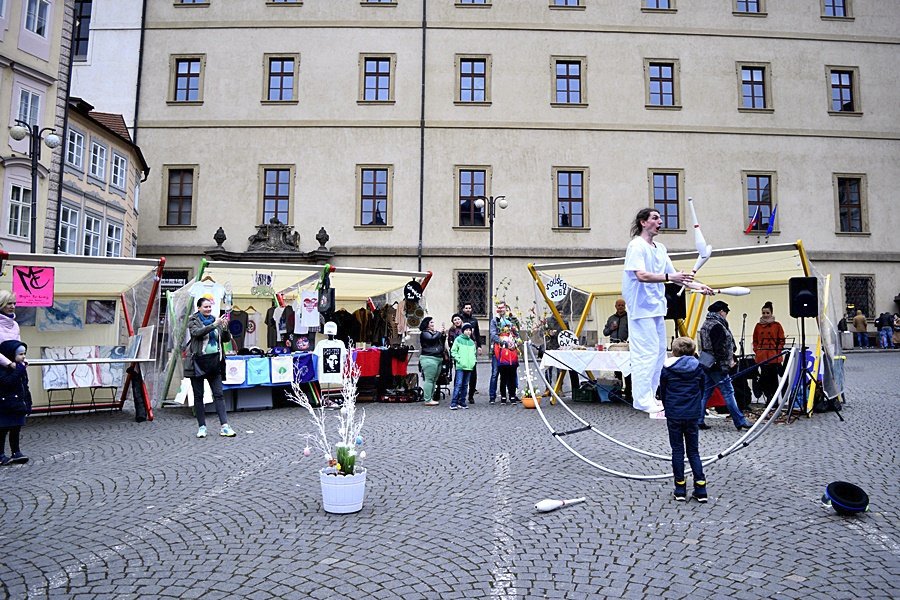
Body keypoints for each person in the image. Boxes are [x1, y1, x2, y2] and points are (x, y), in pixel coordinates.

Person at [622, 208, 712, 417]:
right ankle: (641, 399)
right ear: (643, 222)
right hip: (640, 308)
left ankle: (651, 396)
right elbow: (642, 275)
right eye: (655, 217)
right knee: (647, 353)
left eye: (660, 217)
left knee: (660, 352)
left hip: (656, 307)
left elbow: (675, 276)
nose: (660, 221)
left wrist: (699, 286)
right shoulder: (636, 246)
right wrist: (671, 276)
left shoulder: (660, 248)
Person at [658, 337, 707, 502]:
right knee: (693, 451)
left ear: (674, 352)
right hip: (692, 414)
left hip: (674, 414)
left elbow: (663, 392)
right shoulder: (699, 368)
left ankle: (680, 488)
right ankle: (701, 488)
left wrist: (667, 407)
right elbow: (702, 389)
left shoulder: (667, 369)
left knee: (677, 450)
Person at [185, 297, 236, 438]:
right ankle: (202, 427)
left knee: (219, 394)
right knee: (199, 396)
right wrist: (214, 324)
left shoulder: (216, 320)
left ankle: (224, 426)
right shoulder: (193, 320)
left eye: (209, 307)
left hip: (215, 363)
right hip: (198, 363)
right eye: (205, 307)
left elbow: (225, 339)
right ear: (199, 308)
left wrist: (225, 327)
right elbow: (197, 333)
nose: (208, 309)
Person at [698, 301, 752, 431]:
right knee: (728, 392)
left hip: (707, 363)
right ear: (721, 311)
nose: (726, 315)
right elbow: (719, 349)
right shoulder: (717, 325)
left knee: (705, 393)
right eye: (726, 312)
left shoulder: (706, 323)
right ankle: (739, 420)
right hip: (717, 365)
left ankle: (698, 420)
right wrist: (725, 365)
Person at [0, 340, 32, 465]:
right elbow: (8, 382)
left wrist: (28, 403)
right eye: (20, 354)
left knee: (15, 429)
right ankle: (1, 454)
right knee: (2, 430)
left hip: (18, 404)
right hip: (5, 405)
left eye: (24, 354)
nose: (23, 357)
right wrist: (18, 370)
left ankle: (16, 452)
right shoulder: (3, 369)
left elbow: (25, 386)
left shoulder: (21, 368)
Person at [752, 301, 786, 403]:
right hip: (762, 356)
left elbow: (781, 339)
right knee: (764, 378)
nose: (765, 315)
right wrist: (757, 350)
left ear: (771, 313)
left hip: (773, 356)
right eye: (763, 313)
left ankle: (774, 400)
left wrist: (778, 350)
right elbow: (755, 340)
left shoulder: (777, 325)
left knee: (774, 379)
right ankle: (768, 398)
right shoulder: (758, 326)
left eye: (767, 313)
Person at [488, 301, 520, 404]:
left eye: (502, 307)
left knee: (512, 374)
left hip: (511, 351)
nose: (501, 309)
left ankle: (513, 394)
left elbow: (517, 333)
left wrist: (514, 341)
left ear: (506, 308)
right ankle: (493, 396)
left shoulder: (511, 319)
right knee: (495, 373)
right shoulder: (494, 320)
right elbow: (493, 335)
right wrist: (503, 341)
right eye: (499, 308)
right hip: (498, 351)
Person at [419, 317, 445, 407]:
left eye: (433, 322)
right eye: (431, 322)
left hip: (437, 358)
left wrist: (443, 335)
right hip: (429, 358)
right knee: (429, 379)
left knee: (434, 380)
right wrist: (439, 332)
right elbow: (432, 339)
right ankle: (427, 399)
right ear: (427, 324)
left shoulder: (434, 333)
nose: (433, 324)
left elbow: (440, 341)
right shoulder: (424, 333)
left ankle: (431, 397)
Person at [449, 322, 476, 410]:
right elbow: (453, 351)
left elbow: (474, 354)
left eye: (469, 330)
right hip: (461, 366)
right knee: (458, 384)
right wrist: (458, 360)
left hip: (469, 366)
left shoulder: (472, 342)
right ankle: (454, 402)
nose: (468, 332)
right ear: (463, 331)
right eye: (466, 330)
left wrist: (473, 362)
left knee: (465, 385)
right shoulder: (458, 339)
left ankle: (462, 402)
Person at [460, 303, 482, 404]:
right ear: (463, 309)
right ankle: (460, 393)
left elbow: (477, 334)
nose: (468, 309)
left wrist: (479, 346)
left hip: (472, 347)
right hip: (462, 348)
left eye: (469, 308)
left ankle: (471, 394)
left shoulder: (474, 320)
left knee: (473, 372)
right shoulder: (460, 319)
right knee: (461, 371)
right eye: (466, 308)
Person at [494, 322, 519, 404]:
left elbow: (517, 345)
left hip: (513, 361)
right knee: (503, 380)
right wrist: (500, 359)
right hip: (503, 362)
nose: (507, 329)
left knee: (512, 379)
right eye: (505, 327)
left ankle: (512, 395)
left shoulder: (513, 336)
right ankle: (503, 396)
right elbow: (497, 350)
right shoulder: (500, 337)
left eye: (508, 327)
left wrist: (515, 347)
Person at [0, 291, 22, 370]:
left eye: (14, 303)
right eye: (9, 303)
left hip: (13, 369)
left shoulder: (15, 325)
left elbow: (18, 348)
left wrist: (23, 360)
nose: (13, 306)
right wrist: (8, 363)